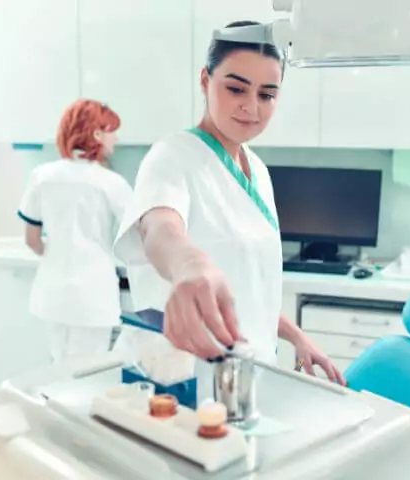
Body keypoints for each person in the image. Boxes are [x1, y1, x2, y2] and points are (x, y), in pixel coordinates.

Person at [114, 20, 345, 400]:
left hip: (249, 374)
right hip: (186, 378)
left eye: (267, 95)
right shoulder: (173, 155)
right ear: (205, 80)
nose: (251, 107)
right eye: (236, 88)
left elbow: (248, 286)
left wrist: (296, 335)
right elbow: (159, 227)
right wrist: (190, 265)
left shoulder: (260, 172)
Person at [18, 99, 133, 363]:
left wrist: (61, 254)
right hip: (91, 293)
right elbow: (140, 232)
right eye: (111, 130)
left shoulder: (42, 175)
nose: (116, 137)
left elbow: (32, 240)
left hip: (52, 292)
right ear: (96, 134)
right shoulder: (111, 182)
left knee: (58, 369)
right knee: (86, 375)